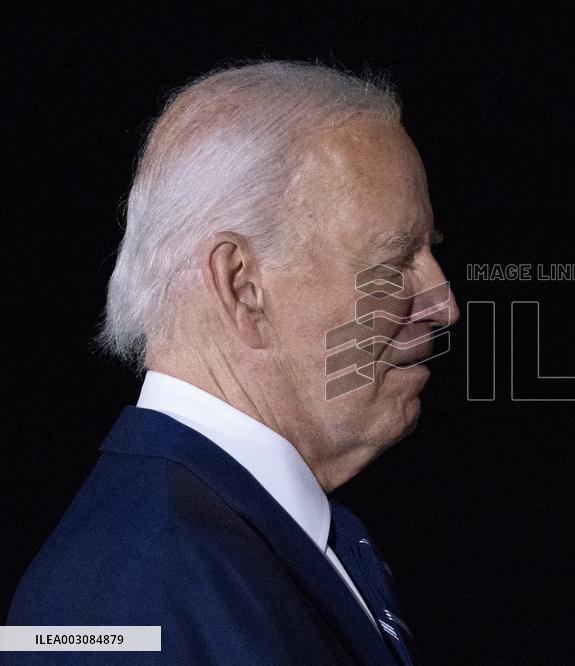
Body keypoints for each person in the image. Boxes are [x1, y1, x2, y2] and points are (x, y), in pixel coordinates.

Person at [8, 61, 458, 664]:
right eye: (394, 260)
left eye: (429, 252)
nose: (443, 305)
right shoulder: (140, 582)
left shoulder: (208, 541)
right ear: (242, 285)